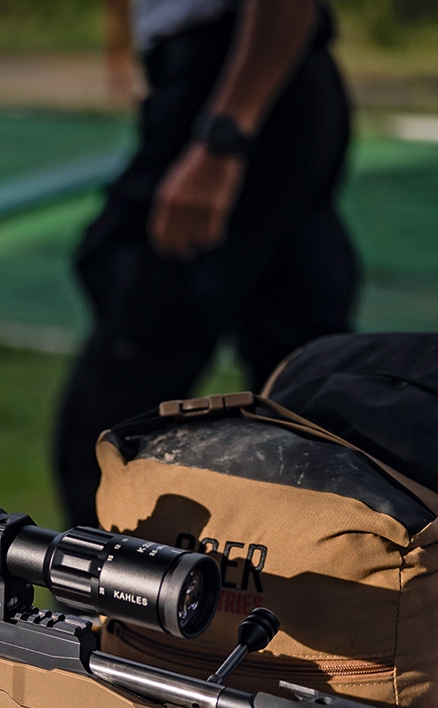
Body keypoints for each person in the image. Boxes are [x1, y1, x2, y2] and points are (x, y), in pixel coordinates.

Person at [53, 0, 360, 527]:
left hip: (234, 82)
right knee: (299, 378)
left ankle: (114, 604)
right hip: (265, 81)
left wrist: (223, 138)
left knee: (106, 431)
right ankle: (311, 591)